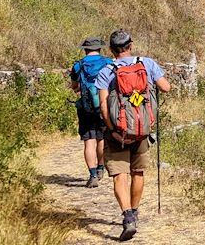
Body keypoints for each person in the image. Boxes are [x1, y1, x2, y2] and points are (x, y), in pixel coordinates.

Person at [95, 30, 171, 241]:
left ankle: (127, 216)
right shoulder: (147, 63)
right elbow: (166, 87)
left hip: (117, 131)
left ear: (111, 50)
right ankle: (135, 211)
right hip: (141, 130)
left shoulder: (106, 70)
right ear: (131, 45)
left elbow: (102, 105)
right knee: (138, 172)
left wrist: (112, 129)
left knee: (120, 175)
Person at [70, 37, 112, 188]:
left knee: (89, 141)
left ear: (85, 49)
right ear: (100, 49)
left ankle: (93, 174)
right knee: (101, 139)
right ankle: (101, 168)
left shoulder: (78, 65)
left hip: (86, 108)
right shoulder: (108, 63)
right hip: (103, 106)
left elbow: (75, 86)